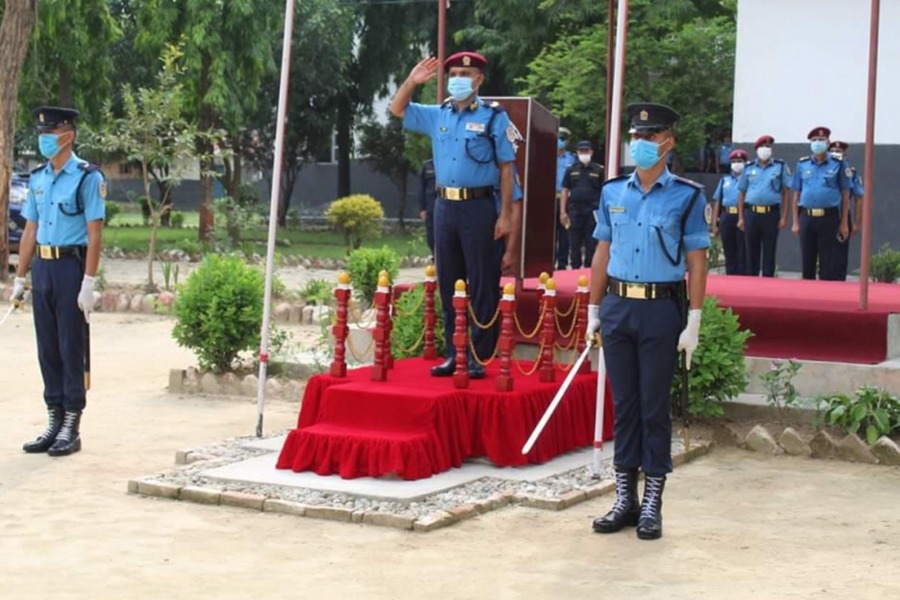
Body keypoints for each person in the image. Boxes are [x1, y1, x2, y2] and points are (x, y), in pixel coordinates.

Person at [587, 103, 709, 541]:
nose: (639, 143)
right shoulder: (612, 192)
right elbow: (602, 251)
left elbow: (697, 261)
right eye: (636, 136)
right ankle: (625, 497)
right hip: (619, 305)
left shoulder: (687, 195)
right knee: (624, 406)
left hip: (661, 309)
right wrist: (593, 308)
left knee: (653, 407)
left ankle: (653, 500)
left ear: (668, 142)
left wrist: (693, 319)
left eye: (650, 136)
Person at [389, 53, 519, 379]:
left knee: (482, 283)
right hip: (444, 208)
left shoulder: (493, 117)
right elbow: (397, 109)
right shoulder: (439, 114)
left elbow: (506, 169)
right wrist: (412, 81)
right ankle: (454, 353)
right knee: (450, 283)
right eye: (454, 73)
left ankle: (478, 355)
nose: (458, 78)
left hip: (479, 208)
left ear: (478, 80)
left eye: (465, 73)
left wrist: (505, 216)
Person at [10, 106, 106, 457]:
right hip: (43, 269)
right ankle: (54, 418)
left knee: (70, 347)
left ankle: (72, 424)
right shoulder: (38, 178)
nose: (45, 138)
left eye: (52, 132)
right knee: (47, 347)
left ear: (69, 135)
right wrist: (20, 277)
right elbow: (30, 230)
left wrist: (88, 282)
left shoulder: (87, 177)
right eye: (42, 133)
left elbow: (95, 235)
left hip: (70, 268)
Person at [791, 127, 851, 281]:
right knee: (807, 261)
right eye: (814, 140)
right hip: (807, 217)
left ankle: (826, 297)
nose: (818, 143)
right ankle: (807, 296)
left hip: (829, 218)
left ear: (828, 142)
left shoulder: (839, 164)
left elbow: (845, 194)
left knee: (828, 263)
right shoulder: (802, 164)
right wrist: (795, 222)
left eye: (821, 140)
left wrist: (844, 223)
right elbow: (796, 194)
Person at [737, 135, 791, 277]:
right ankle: (751, 280)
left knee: (769, 249)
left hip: (771, 214)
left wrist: (784, 217)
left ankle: (768, 281)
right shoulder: (748, 168)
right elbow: (742, 192)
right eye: (762, 147)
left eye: (768, 147)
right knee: (751, 250)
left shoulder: (780, 166)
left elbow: (786, 192)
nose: (765, 149)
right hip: (751, 213)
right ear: (756, 149)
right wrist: (741, 217)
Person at [559, 140, 603, 269]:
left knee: (591, 244)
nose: (584, 153)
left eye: (586, 151)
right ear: (577, 153)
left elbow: (604, 192)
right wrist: (563, 212)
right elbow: (565, 190)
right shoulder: (571, 169)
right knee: (574, 244)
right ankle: (575, 270)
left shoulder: (599, 170)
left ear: (591, 152)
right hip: (574, 211)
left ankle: (589, 270)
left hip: (592, 212)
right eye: (581, 151)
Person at [829, 141, 864, 280]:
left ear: (845, 153)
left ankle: (839, 284)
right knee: (826, 254)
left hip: (842, 215)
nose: (836, 153)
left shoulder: (850, 172)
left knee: (841, 255)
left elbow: (858, 198)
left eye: (839, 151)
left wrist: (857, 223)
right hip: (827, 215)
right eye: (833, 150)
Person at [712, 149, 748, 275]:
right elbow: (718, 202)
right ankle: (730, 276)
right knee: (728, 248)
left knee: (742, 249)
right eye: (734, 161)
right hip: (726, 216)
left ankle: (742, 276)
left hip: (742, 215)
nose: (737, 163)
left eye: (739, 161)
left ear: (745, 163)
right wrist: (714, 224)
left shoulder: (748, 180)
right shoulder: (725, 180)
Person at [555, 127, 577, 270]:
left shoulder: (572, 159)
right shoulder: (547, 156)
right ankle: (548, 262)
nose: (559, 141)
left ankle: (562, 263)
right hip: (548, 199)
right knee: (549, 233)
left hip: (565, 200)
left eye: (562, 138)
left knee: (565, 233)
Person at [417, 158, 437, 255]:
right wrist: (422, 208)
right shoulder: (427, 166)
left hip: (446, 207)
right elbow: (421, 188)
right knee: (431, 238)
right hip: (431, 209)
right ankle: (435, 260)